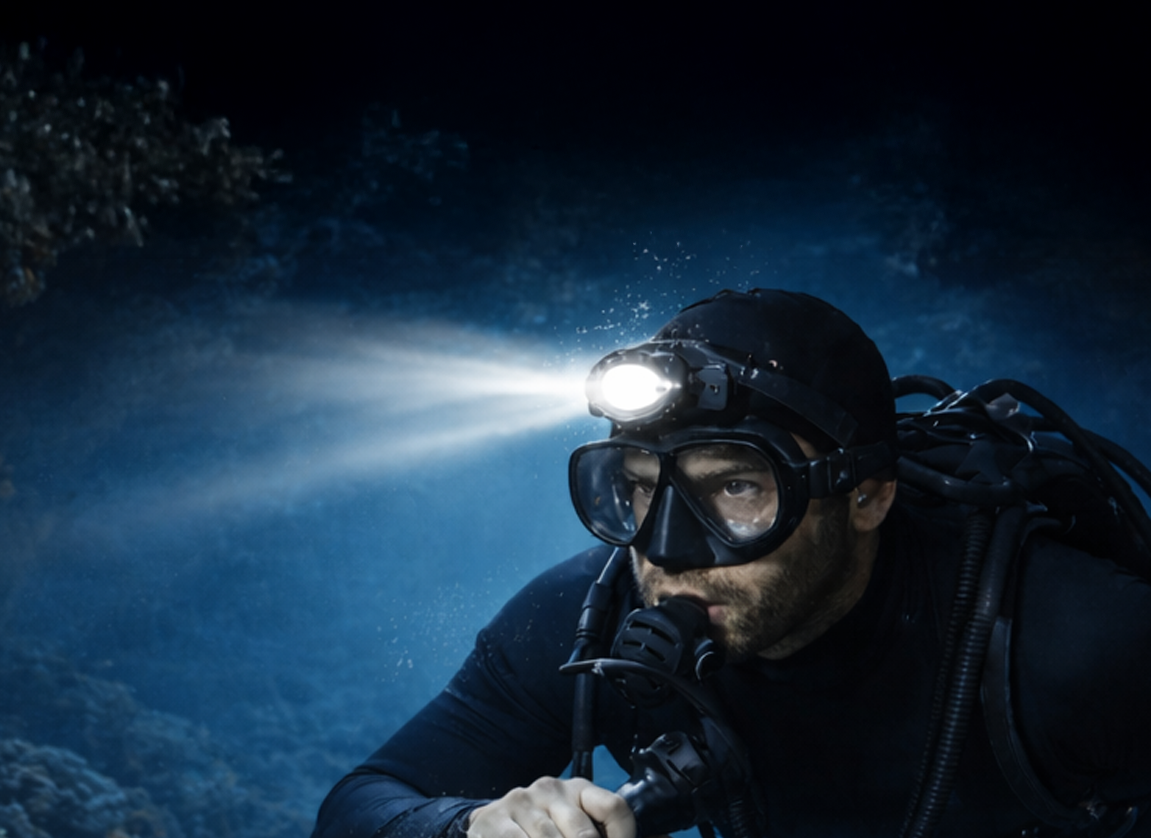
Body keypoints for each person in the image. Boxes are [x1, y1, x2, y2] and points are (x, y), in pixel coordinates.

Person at [312, 289, 1151, 838]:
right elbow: (361, 804)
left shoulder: (1075, 641)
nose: (666, 549)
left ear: (867, 496)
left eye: (737, 486)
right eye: (641, 488)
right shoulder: (585, 621)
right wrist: (470, 827)